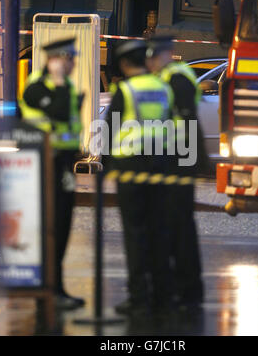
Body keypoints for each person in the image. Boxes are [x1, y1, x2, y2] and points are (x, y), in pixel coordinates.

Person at [103, 40, 174, 320]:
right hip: (158, 167)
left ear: (123, 64)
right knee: (157, 232)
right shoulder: (162, 88)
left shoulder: (126, 90)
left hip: (130, 170)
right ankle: (161, 296)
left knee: (135, 234)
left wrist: (107, 167)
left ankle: (138, 298)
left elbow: (109, 132)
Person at [20, 38, 85, 310]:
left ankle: (56, 289)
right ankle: (46, 291)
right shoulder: (36, 87)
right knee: (49, 229)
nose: (72, 64)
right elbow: (58, 113)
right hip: (44, 166)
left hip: (64, 165)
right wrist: (58, 83)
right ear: (54, 60)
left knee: (62, 227)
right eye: (68, 59)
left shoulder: (66, 86)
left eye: (73, 59)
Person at [146, 35, 209, 311]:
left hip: (180, 161)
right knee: (176, 226)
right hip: (177, 159)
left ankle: (189, 290)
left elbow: (185, 124)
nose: (150, 63)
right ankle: (182, 288)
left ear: (165, 54)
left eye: (153, 57)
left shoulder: (177, 78)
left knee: (180, 228)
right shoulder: (171, 76)